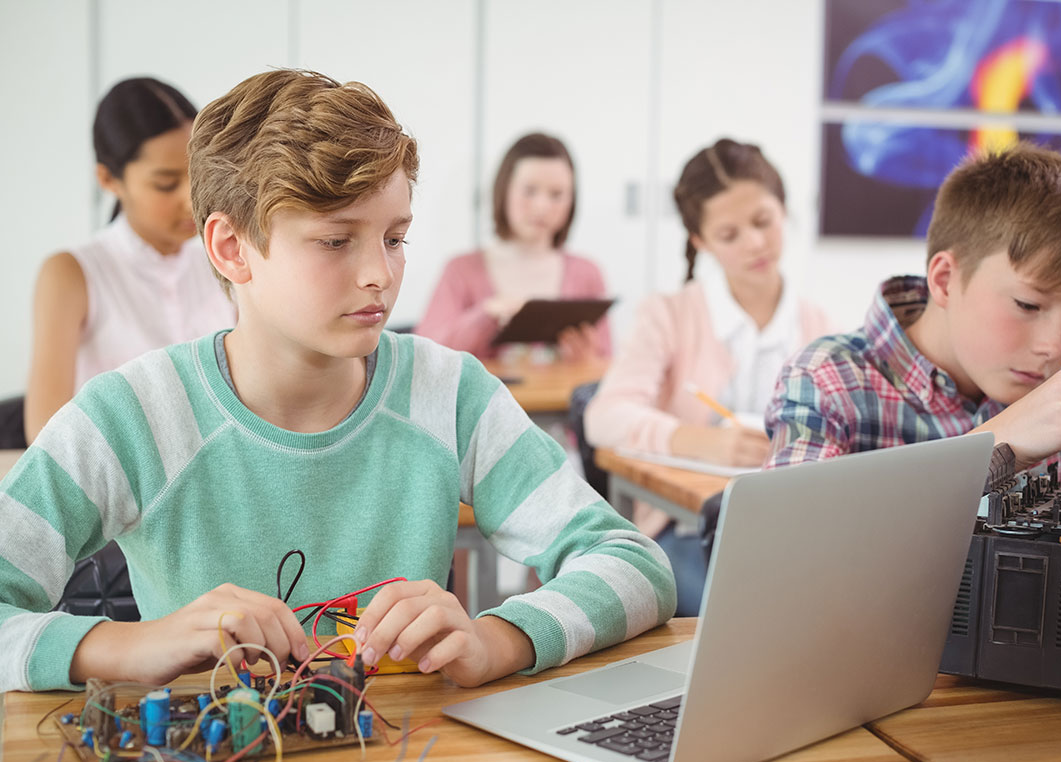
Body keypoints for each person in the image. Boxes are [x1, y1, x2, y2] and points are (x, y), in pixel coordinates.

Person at [0, 69, 674, 694]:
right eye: (335, 240)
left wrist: (496, 640)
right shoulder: (133, 414)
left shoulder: (449, 392)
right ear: (231, 248)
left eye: (394, 237)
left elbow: (633, 562)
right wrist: (134, 647)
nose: (379, 273)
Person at [764, 143, 1061, 478]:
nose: (1054, 348)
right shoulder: (826, 381)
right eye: (1028, 304)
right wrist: (995, 443)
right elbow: (784, 552)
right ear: (945, 280)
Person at [584, 138, 831, 615]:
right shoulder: (669, 315)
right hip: (685, 530)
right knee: (751, 616)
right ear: (700, 241)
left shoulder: (819, 325)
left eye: (763, 221)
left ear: (784, 209)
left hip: (791, 533)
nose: (755, 243)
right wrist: (698, 441)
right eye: (729, 234)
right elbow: (604, 417)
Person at [24, 77, 235, 443]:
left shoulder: (226, 258)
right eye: (167, 184)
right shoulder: (72, 274)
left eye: (198, 175)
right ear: (109, 179)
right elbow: (45, 438)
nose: (191, 200)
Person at [415, 133, 611, 361]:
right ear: (504, 189)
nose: (542, 206)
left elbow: (608, 366)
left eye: (557, 194)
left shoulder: (588, 274)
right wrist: (487, 314)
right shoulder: (460, 270)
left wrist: (588, 359)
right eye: (529, 191)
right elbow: (425, 354)